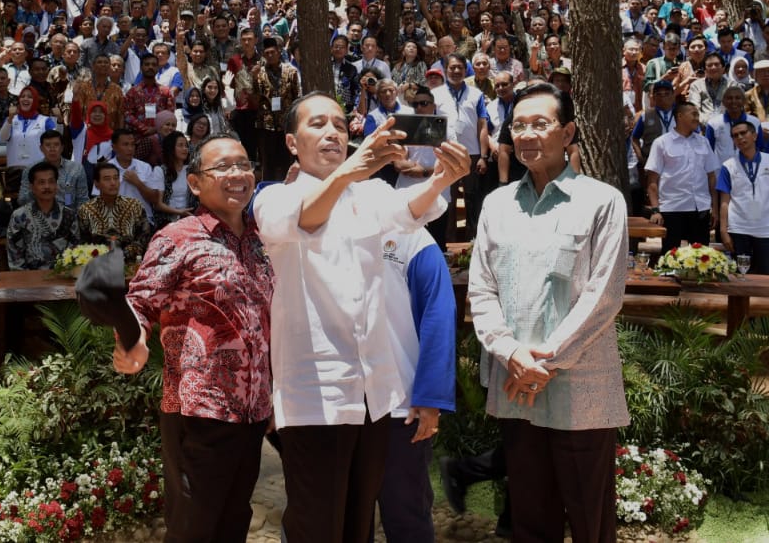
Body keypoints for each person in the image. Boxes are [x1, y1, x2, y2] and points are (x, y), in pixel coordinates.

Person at [251, 93, 471, 543]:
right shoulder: (274, 197)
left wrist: (442, 178)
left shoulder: (369, 192)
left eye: (338, 123)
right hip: (315, 397)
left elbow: (410, 213)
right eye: (317, 124)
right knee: (318, 524)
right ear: (293, 142)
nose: (332, 131)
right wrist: (353, 168)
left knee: (357, 524)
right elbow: (305, 221)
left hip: (374, 393)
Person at [468, 82, 630, 543]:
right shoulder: (496, 205)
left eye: (541, 123)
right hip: (515, 386)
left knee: (590, 521)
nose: (527, 134)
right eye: (519, 125)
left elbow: (604, 296)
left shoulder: (602, 201)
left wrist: (544, 361)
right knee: (530, 519)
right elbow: (481, 290)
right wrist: (510, 352)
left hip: (581, 391)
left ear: (569, 132)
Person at [111, 134, 274, 543]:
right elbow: (140, 301)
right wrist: (134, 341)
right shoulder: (178, 237)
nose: (236, 174)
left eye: (243, 164)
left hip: (252, 411)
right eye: (222, 167)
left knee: (235, 520)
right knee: (193, 525)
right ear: (196, 183)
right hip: (197, 410)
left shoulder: (262, 240)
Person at [373, 226, 457, 542]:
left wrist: (431, 397)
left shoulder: (410, 234)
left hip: (401, 406)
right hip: (338, 406)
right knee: (340, 517)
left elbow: (439, 311)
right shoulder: (313, 218)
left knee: (406, 514)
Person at [645, 102, 721, 252]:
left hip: (700, 208)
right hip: (672, 209)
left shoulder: (703, 142)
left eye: (698, 114)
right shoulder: (662, 143)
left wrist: (715, 209)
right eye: (693, 114)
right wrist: (655, 210)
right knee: (670, 258)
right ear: (679, 116)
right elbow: (652, 180)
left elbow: (711, 177)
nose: (697, 118)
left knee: (701, 259)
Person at [715, 121, 769, 274]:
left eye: (744, 133)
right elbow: (724, 201)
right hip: (738, 229)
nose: (740, 138)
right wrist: (723, 231)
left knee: (768, 276)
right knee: (741, 276)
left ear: (755, 136)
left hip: (767, 230)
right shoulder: (728, 166)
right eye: (735, 136)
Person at [433, 53, 491, 238]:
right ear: (445, 69)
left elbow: (482, 126)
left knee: (471, 198)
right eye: (452, 67)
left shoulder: (476, 94)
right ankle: (448, 240)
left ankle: (472, 240)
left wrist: (483, 156)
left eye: (460, 67)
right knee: (447, 197)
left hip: (471, 153)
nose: (456, 71)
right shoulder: (435, 94)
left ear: (466, 70)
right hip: (445, 152)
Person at [6, 160, 81, 270]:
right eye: (41, 182)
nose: (47, 186)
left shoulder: (69, 215)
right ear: (32, 187)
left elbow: (75, 250)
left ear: (56, 185)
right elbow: (15, 256)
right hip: (28, 279)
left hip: (62, 276)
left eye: (51, 182)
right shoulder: (19, 216)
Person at [78, 161, 152, 265]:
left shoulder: (135, 206)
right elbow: (82, 243)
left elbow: (144, 238)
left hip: (129, 265)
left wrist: (125, 253)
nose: (113, 183)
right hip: (97, 267)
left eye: (116, 178)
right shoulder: (86, 210)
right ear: (96, 184)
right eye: (107, 179)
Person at [250, 36, 301, 181]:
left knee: (286, 159)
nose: (270, 55)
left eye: (273, 52)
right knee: (268, 161)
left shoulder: (291, 72)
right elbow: (254, 98)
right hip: (266, 123)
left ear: (279, 52)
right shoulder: (259, 73)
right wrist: (253, 78)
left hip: (286, 122)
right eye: (267, 53)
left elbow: (297, 96)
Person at [18, 129, 90, 209]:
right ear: (41, 148)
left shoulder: (76, 169)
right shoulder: (30, 170)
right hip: (39, 216)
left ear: (62, 147)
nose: (52, 149)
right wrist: (35, 189)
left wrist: (74, 218)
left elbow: (83, 200)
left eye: (56, 145)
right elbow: (22, 200)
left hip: (69, 216)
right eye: (48, 145)